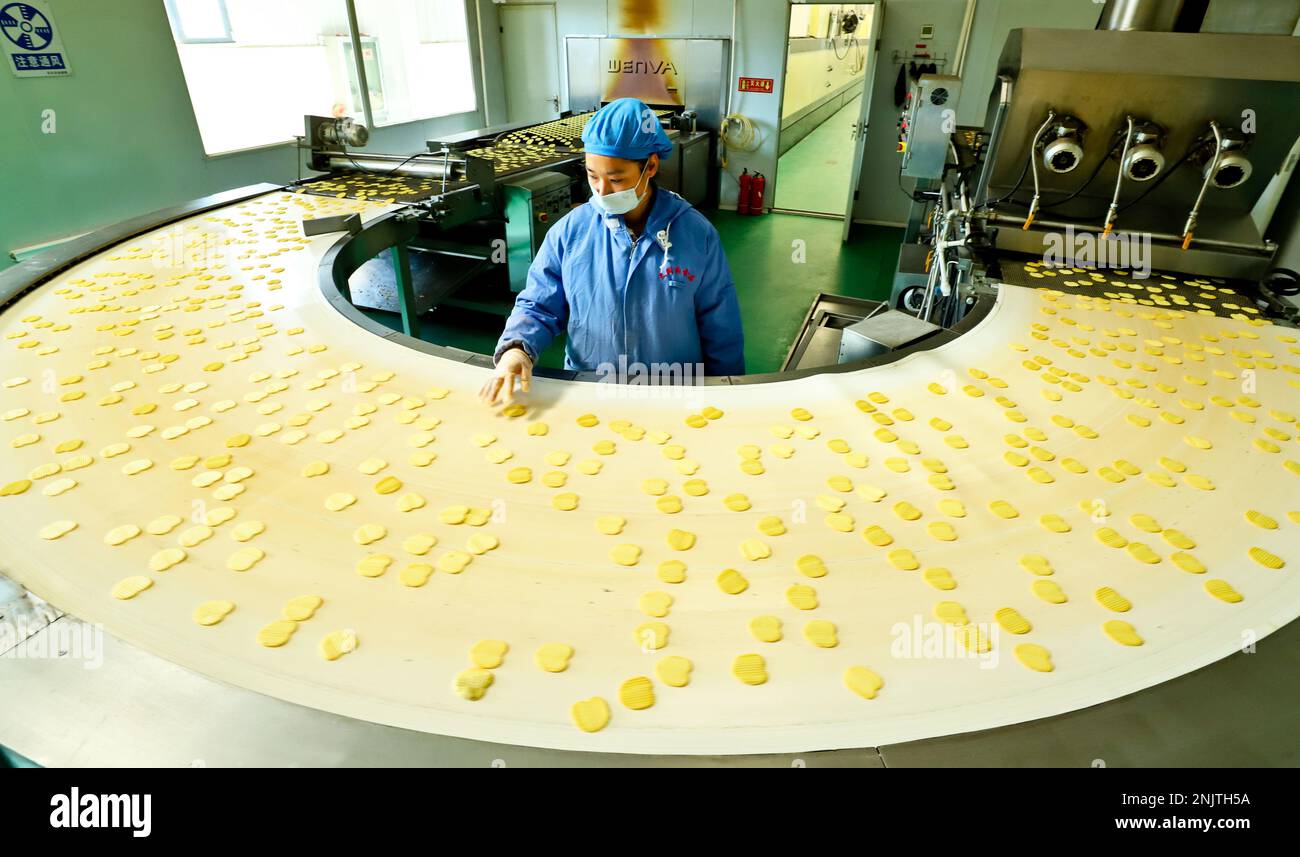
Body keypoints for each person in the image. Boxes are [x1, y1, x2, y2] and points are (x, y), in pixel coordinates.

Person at [479, 97, 744, 404]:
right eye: (593, 177)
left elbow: (720, 325)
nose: (602, 191)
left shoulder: (695, 234)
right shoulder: (571, 233)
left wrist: (730, 391)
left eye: (616, 179)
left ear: (651, 166)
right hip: (591, 389)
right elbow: (539, 304)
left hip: (674, 392)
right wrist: (517, 349)